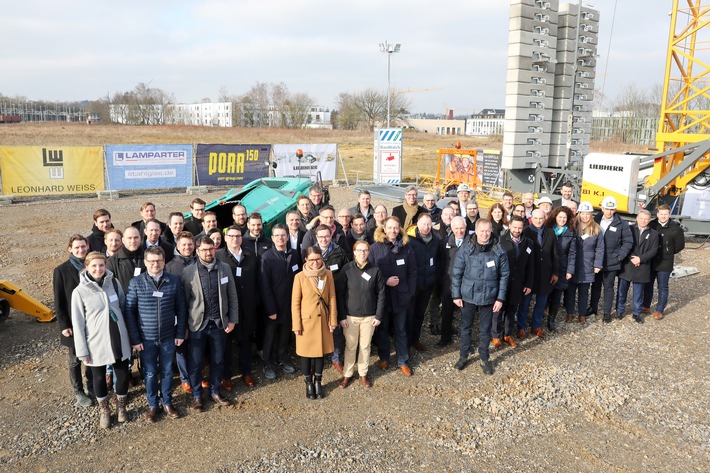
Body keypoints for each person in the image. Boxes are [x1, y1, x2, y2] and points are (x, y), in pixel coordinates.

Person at [124, 247, 187, 422]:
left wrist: (180, 333)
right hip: (146, 339)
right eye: (151, 261)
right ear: (145, 262)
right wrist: (135, 339)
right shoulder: (136, 283)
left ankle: (167, 401)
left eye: (158, 260)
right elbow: (129, 311)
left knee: (167, 371)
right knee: (150, 373)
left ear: (164, 261)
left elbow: (181, 309)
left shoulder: (173, 281)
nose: (155, 264)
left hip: (168, 336)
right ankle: (153, 404)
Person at [71, 252, 131, 429]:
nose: (98, 269)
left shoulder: (113, 282)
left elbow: (123, 305)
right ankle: (104, 410)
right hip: (96, 342)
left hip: (118, 337)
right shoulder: (80, 292)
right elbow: (78, 323)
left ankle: (121, 407)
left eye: (101, 265)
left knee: (122, 373)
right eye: (94, 266)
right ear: (87, 268)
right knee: (98, 377)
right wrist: (82, 351)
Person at [182, 237, 239, 411]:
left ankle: (215, 391)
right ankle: (197, 396)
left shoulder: (225, 269)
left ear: (215, 249)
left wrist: (233, 319)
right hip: (197, 324)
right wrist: (183, 327)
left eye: (211, 249)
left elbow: (232, 296)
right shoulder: (188, 272)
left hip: (219, 323)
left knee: (218, 359)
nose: (208, 252)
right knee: (196, 362)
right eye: (204, 249)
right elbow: (183, 302)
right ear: (197, 251)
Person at [452, 219, 509, 375]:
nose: (485, 234)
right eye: (482, 231)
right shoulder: (466, 249)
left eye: (487, 231)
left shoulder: (499, 250)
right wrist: (456, 294)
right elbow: (456, 272)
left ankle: (484, 357)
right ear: (475, 231)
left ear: (491, 231)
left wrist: (500, 298)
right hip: (468, 296)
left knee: (485, 330)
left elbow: (504, 276)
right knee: (465, 328)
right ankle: (463, 356)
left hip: (489, 297)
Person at [369, 216, 417, 376]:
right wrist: (385, 281)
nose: (393, 231)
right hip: (382, 298)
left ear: (400, 229)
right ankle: (384, 357)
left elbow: (412, 272)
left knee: (401, 330)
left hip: (402, 296)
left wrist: (410, 292)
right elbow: (369, 273)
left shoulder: (406, 247)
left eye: (396, 228)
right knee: (382, 329)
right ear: (384, 228)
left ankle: (403, 360)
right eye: (390, 227)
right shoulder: (375, 248)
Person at [337, 241, 385, 388]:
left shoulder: (375, 270)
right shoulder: (347, 269)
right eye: (359, 250)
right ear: (354, 252)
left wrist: (378, 316)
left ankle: (363, 373)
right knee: (351, 346)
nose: (362, 253)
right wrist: (342, 316)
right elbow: (339, 294)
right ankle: (347, 374)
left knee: (365, 346)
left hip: (369, 317)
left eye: (365, 250)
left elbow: (381, 293)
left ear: (369, 252)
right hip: (350, 317)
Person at [53, 235, 94, 407]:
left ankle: (92, 386)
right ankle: (79, 391)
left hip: (91, 320)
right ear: (70, 248)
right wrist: (64, 325)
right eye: (77, 247)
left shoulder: (92, 266)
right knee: (75, 359)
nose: (80, 250)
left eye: (83, 247)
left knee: (92, 356)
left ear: (87, 246)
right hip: (72, 323)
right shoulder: (61, 270)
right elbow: (59, 300)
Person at [292, 247, 338, 399]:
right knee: (306, 354)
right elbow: (295, 303)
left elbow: (332, 298)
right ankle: (308, 383)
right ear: (306, 260)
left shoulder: (328, 275)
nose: (315, 262)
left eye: (318, 259)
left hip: (323, 321)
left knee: (320, 353)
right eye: (311, 259)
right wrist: (296, 325)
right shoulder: (299, 277)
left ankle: (318, 381)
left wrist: (333, 320)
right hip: (306, 322)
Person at [216, 225, 259, 388]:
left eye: (238, 236)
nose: (235, 239)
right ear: (226, 238)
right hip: (227, 308)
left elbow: (257, 280)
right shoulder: (219, 256)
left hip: (247, 306)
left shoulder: (250, 255)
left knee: (246, 340)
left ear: (242, 238)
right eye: (231, 236)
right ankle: (226, 375)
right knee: (226, 342)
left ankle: (246, 371)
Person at [260, 224, 301, 380]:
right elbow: (265, 285)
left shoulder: (295, 254)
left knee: (285, 334)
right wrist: (271, 309)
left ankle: (281, 359)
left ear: (288, 236)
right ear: (272, 238)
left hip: (291, 304)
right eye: (277, 235)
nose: (280, 238)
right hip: (274, 305)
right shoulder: (267, 257)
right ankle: (267, 363)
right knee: (270, 335)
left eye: (283, 235)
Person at [308, 224, 350, 373]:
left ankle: (336, 358)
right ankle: (314, 358)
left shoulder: (339, 252)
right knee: (315, 329)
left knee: (336, 328)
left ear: (331, 235)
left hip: (334, 296)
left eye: (327, 236)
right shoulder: (311, 253)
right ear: (316, 237)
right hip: (315, 298)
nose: (324, 239)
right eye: (321, 237)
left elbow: (346, 274)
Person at [590, 196, 633, 323]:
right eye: (607, 208)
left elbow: (628, 242)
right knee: (595, 286)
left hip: (612, 262)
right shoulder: (595, 220)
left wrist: (619, 256)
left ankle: (607, 313)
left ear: (615, 210)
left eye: (611, 209)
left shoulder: (621, 224)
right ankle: (593, 308)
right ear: (602, 208)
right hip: (597, 260)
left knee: (608, 287)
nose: (609, 211)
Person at [493, 215, 534, 348]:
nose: (517, 230)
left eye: (520, 228)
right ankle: (496, 335)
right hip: (502, 282)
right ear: (509, 226)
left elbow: (530, 265)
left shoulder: (528, 243)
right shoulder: (500, 241)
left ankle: (507, 334)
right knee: (498, 310)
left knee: (511, 309)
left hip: (518, 282)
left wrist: (528, 283)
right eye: (515, 227)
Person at [517, 209, 559, 338]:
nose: (538, 221)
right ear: (531, 218)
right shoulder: (526, 232)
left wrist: (555, 272)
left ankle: (536, 326)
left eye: (541, 218)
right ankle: (521, 327)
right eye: (535, 218)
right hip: (530, 274)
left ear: (545, 218)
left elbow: (555, 254)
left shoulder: (550, 232)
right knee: (525, 303)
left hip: (545, 274)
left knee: (541, 303)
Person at [164, 231, 196, 393]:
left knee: (196, 347)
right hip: (179, 313)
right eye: (184, 244)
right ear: (177, 246)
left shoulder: (200, 261)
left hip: (197, 314)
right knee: (182, 347)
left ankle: (195, 375)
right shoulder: (170, 266)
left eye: (190, 244)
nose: (187, 247)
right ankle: (185, 379)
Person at [616, 210, 659, 324]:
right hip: (627, 265)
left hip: (642, 267)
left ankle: (636, 313)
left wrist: (640, 259)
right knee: (622, 290)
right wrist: (632, 258)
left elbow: (653, 250)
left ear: (649, 220)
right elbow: (623, 244)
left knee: (638, 293)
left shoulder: (654, 234)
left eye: (646, 219)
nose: (643, 221)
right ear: (637, 218)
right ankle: (620, 311)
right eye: (641, 218)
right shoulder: (629, 229)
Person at [643, 204, 685, 320]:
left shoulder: (675, 228)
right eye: (661, 214)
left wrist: (668, 252)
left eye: (665, 214)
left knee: (662, 286)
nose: (663, 216)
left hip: (665, 262)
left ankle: (659, 310)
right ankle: (646, 305)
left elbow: (680, 245)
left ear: (669, 215)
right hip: (651, 260)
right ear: (657, 214)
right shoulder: (651, 225)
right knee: (648, 284)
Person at [407, 213, 439, 352]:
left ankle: (415, 339)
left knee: (420, 313)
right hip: (413, 285)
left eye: (428, 224)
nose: (426, 227)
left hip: (427, 285)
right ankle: (406, 343)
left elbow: (438, 259)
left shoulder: (435, 240)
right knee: (409, 314)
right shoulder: (409, 240)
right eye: (423, 224)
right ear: (417, 224)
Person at [571, 202, 604, 324]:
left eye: (587, 214)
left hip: (587, 264)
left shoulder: (596, 229)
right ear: (579, 214)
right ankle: (570, 312)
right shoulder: (573, 227)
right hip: (573, 263)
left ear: (591, 215)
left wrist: (597, 264)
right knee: (571, 291)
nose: (585, 216)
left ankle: (581, 314)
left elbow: (600, 248)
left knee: (584, 291)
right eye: (583, 213)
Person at [545, 206, 576, 330]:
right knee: (545, 294)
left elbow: (573, 254)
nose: (562, 220)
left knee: (557, 296)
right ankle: (542, 315)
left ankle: (551, 319)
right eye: (560, 217)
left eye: (565, 217)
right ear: (555, 217)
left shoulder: (570, 233)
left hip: (562, 269)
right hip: (548, 267)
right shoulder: (548, 230)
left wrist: (570, 270)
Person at [107, 226, 145, 293]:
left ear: (140, 238)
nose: (133, 241)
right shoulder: (112, 262)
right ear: (123, 240)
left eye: (136, 237)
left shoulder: (148, 257)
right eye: (129, 238)